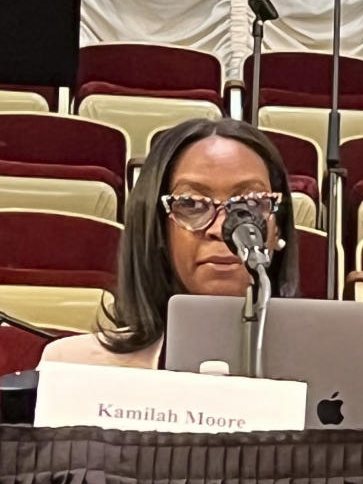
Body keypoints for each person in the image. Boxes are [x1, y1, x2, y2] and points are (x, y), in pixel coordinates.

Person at [40, 118, 299, 368]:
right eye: (191, 204)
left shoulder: (328, 364)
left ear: (277, 230)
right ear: (158, 231)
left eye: (250, 204)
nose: (221, 229)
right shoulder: (75, 366)